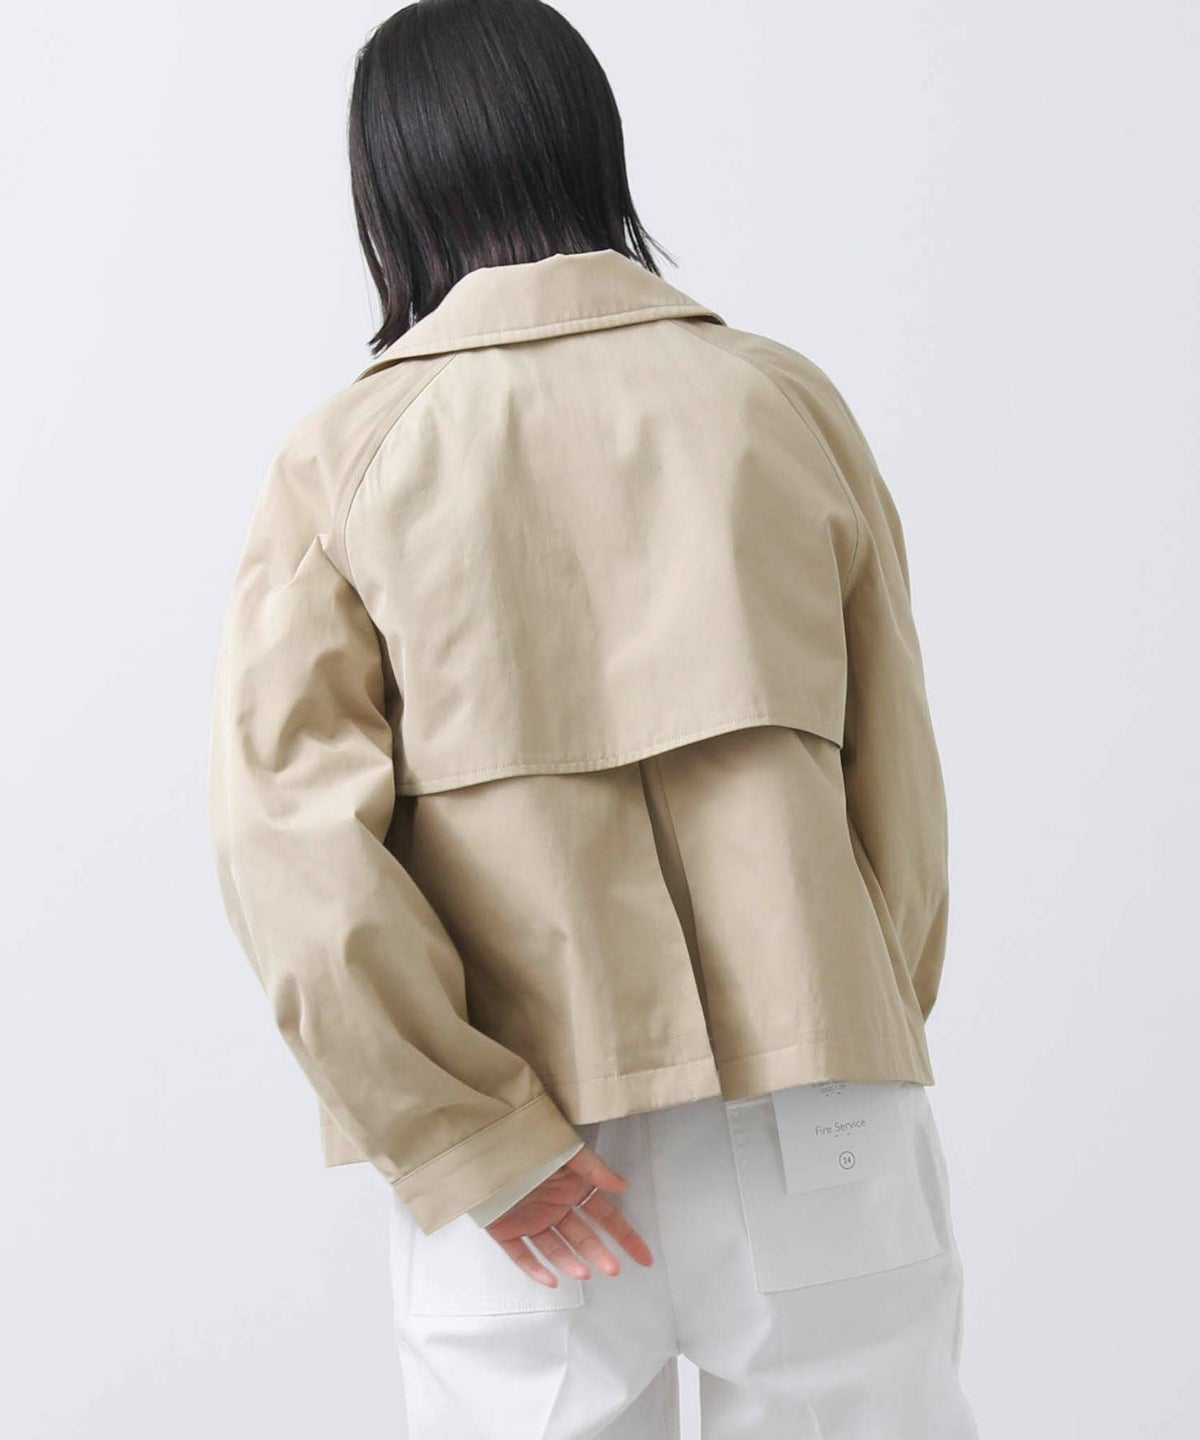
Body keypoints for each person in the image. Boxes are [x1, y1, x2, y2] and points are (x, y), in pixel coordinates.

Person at [206, 1, 980, 1435]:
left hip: (530, 1139)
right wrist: (847, 1017)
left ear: (391, 192)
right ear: (588, 144)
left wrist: (456, 1126)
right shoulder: (777, 401)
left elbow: (294, 861)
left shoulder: (347, 459)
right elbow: (902, 783)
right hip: (821, 1104)